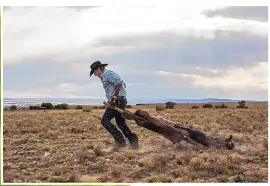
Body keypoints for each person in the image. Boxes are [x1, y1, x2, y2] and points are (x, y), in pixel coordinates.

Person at [90, 61, 139, 149]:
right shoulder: (104, 76)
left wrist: (114, 97)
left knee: (104, 120)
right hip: (119, 100)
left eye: (94, 71)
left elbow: (118, 83)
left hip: (117, 101)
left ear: (99, 68)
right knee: (121, 123)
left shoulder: (107, 74)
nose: (94, 74)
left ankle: (121, 142)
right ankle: (133, 142)